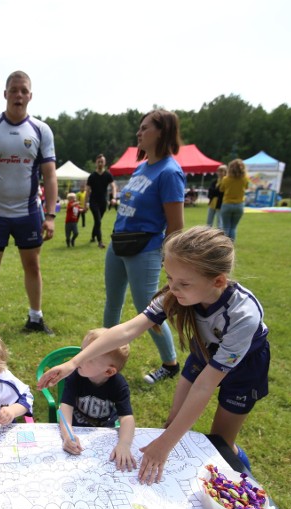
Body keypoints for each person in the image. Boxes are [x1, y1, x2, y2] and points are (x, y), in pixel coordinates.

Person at [40, 226, 270, 483]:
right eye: (169, 277)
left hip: (245, 368)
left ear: (218, 281)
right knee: (172, 422)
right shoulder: (177, 292)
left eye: (183, 283)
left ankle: (243, 473)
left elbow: (205, 386)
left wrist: (164, 445)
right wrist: (74, 362)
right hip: (205, 350)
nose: (173, 288)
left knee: (221, 442)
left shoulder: (243, 316)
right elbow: (127, 330)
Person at [0, 70, 58, 335]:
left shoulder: (41, 130)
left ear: (30, 95)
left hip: (29, 211)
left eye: (23, 90)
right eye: (14, 90)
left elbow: (49, 174)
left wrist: (51, 215)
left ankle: (35, 318)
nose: (18, 95)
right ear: (5, 94)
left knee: (32, 265)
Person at [104, 109, 184, 386]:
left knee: (149, 310)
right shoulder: (142, 167)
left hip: (146, 248)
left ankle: (170, 363)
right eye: (139, 128)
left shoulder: (170, 172)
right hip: (118, 244)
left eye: (145, 128)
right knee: (111, 305)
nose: (139, 132)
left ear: (162, 132)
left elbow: (176, 224)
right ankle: (101, 358)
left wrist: (168, 258)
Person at [58, 328, 136, 471]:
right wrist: (67, 434)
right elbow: (65, 407)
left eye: (88, 358)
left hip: (103, 433)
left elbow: (126, 418)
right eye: (82, 351)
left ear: (108, 371)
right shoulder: (75, 376)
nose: (79, 359)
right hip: (76, 430)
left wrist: (124, 444)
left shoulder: (118, 385)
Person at [85, 154, 118, 249]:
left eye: (102, 162)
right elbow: (87, 191)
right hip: (93, 202)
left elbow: (113, 186)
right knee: (98, 221)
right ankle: (100, 242)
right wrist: (85, 204)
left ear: (104, 163)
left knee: (97, 221)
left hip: (103, 202)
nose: (100, 163)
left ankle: (92, 236)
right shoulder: (92, 176)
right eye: (98, 161)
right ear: (96, 163)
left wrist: (114, 197)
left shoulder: (108, 175)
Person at [219, 158, 249, 241]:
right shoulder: (245, 178)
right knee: (233, 228)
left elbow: (221, 189)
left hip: (227, 204)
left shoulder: (226, 179)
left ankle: (225, 246)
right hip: (239, 205)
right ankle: (232, 246)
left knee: (226, 227)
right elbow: (246, 187)